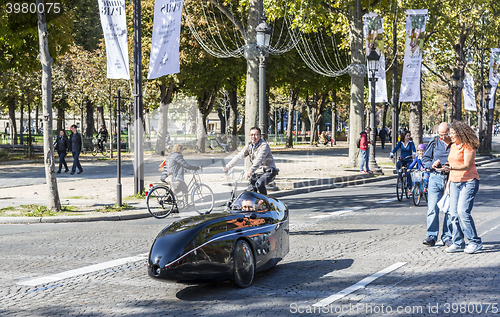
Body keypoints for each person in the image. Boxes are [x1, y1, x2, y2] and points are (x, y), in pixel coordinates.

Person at [442, 121, 482, 254]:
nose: (451, 135)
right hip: (454, 182)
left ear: (460, 133)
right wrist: (448, 184)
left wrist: (451, 168)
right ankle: (458, 242)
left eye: (453, 133)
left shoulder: (468, 146)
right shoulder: (453, 146)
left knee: (462, 212)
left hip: (469, 181)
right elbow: (451, 167)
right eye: (450, 133)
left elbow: (466, 165)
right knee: (453, 214)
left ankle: (474, 241)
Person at [421, 122, 453, 247]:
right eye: (440, 135)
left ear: (450, 132)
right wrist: (432, 164)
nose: (443, 137)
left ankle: (447, 236)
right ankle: (431, 236)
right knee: (432, 208)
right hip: (435, 178)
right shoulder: (435, 142)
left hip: (450, 179)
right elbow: (425, 159)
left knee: (450, 210)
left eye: (445, 135)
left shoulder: (455, 143)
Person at [223, 127, 278, 195]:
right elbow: (239, 156)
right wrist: (228, 166)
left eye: (256, 134)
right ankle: (252, 204)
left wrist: (250, 171)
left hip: (268, 171)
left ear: (260, 136)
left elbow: (259, 160)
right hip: (257, 172)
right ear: (249, 136)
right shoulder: (249, 145)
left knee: (259, 184)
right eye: (251, 135)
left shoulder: (264, 146)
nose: (253, 137)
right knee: (250, 190)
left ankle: (265, 203)